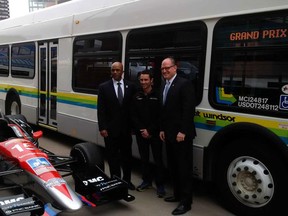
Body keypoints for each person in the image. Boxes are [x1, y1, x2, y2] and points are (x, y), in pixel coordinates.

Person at [159, 57, 196, 215]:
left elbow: (189, 110)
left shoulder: (184, 83)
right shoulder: (164, 85)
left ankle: (186, 202)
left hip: (181, 135)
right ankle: (177, 195)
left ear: (175, 68)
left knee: (184, 169)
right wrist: (162, 129)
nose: (165, 71)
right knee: (173, 167)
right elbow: (164, 111)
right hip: (168, 134)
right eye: (162, 69)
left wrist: (183, 131)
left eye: (167, 68)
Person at [97, 61, 137, 190]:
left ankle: (127, 181)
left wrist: (133, 127)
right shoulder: (104, 87)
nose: (115, 72)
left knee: (127, 157)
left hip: (126, 130)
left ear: (122, 71)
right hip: (110, 130)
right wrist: (102, 127)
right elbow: (101, 109)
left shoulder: (131, 87)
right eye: (113, 70)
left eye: (117, 70)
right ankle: (115, 180)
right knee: (113, 157)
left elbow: (133, 109)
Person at [131, 70, 166, 198]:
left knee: (158, 160)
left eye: (146, 80)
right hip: (141, 134)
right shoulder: (136, 96)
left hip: (155, 134)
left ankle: (160, 185)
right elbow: (133, 115)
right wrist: (142, 129)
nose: (143, 82)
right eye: (141, 80)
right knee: (144, 159)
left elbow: (160, 116)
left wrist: (150, 130)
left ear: (151, 80)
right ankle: (146, 181)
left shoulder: (158, 95)